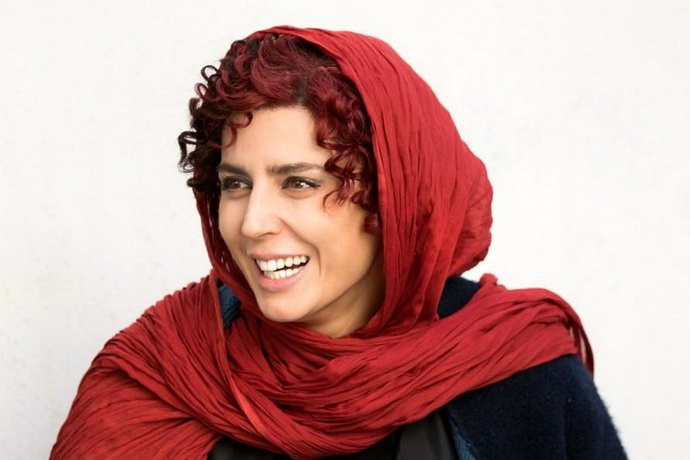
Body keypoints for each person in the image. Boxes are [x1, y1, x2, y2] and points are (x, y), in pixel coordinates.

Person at [51, 26, 626, 459]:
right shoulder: (158, 374)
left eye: (299, 183)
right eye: (235, 184)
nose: (252, 224)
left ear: (392, 199)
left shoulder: (515, 372)